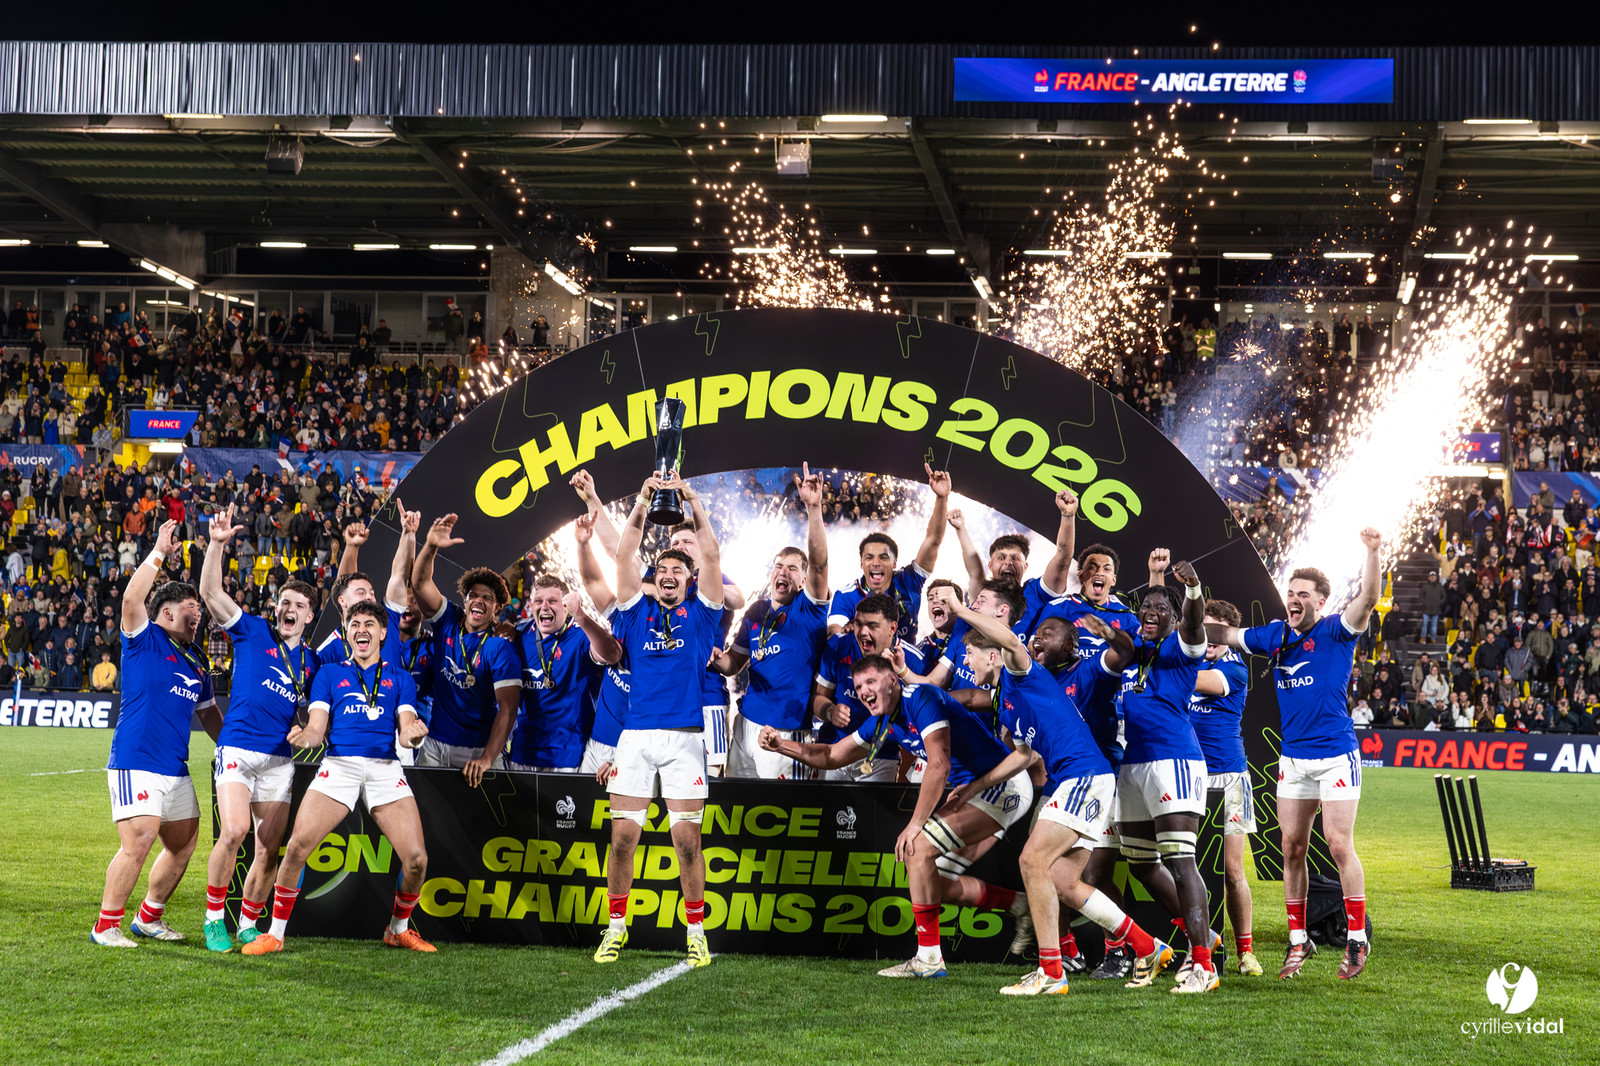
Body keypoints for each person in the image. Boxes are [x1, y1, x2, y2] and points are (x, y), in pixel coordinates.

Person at [932, 586, 1171, 996]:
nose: (965, 663)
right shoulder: (1007, 699)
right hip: (1084, 780)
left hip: (1083, 776)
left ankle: (1051, 972)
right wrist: (976, 786)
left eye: (969, 655)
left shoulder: (1021, 673)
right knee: (1063, 880)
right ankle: (1147, 946)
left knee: (1031, 861)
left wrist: (958, 609)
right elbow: (1023, 755)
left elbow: (1008, 638)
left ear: (992, 656)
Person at [758, 655, 1033, 978]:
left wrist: (915, 825)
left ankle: (929, 959)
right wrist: (781, 745)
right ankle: (1020, 906)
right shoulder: (883, 722)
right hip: (979, 791)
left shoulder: (920, 697)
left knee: (918, 849)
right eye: (858, 686)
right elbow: (831, 755)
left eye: (871, 682)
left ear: (892, 680)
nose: (863, 691)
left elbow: (940, 764)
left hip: (1002, 784)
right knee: (934, 880)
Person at [1207, 528, 1383, 981]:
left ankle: (1358, 939)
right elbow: (1226, 632)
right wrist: (1182, 614)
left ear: (1321, 602)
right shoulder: (1274, 635)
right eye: (1291, 593)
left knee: (1339, 844)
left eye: (1303, 594)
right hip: (1294, 759)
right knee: (1291, 847)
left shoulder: (1336, 631)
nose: (1294, 599)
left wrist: (1372, 550)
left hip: (1335, 754)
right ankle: (1298, 941)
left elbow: (1369, 595)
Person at [589, 472, 725, 969]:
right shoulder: (633, 612)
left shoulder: (704, 615)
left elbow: (710, 555)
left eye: (677, 570)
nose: (669, 574)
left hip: (685, 739)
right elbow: (623, 556)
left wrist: (690, 499)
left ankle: (695, 930)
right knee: (622, 838)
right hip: (636, 738)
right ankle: (616, 928)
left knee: (687, 842)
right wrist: (643, 497)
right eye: (663, 567)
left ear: (688, 580)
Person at [241, 602, 432, 955]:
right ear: (347, 632)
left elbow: (405, 732)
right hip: (339, 766)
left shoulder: (400, 678)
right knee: (297, 847)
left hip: (384, 769)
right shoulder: (328, 675)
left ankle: (397, 928)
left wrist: (416, 735)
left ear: (382, 632)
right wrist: (305, 737)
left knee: (417, 859)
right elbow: (316, 729)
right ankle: (276, 934)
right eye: (355, 623)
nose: (362, 629)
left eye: (370, 624)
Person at [1085, 557, 1220, 994]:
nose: (1151, 611)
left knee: (1181, 861)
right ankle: (1204, 938)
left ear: (1176, 618)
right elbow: (1127, 635)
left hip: (1174, 762)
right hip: (1133, 764)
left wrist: (1194, 588)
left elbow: (1196, 623)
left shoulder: (1183, 646)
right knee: (1143, 865)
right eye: (1146, 606)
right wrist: (1108, 632)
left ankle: (1204, 964)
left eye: (1162, 608)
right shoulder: (1135, 653)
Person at [197, 504, 320, 952]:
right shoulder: (252, 630)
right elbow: (210, 591)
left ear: (309, 617)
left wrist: (307, 728)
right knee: (233, 832)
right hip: (238, 749)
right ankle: (214, 919)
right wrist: (216, 543)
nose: (288, 608)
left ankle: (249, 922)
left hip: (279, 760)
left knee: (269, 848)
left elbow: (314, 712)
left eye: (298, 605)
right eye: (284, 602)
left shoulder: (314, 663)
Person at [93, 520, 221, 947]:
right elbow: (132, 597)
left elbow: (209, 717)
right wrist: (159, 552)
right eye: (191, 606)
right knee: (140, 840)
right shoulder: (143, 638)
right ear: (166, 612)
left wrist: (234, 748)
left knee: (184, 842)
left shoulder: (198, 659)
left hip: (175, 768)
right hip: (137, 759)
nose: (198, 612)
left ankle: (149, 917)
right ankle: (105, 925)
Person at [714, 462, 831, 779]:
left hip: (786, 731)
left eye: (793, 568)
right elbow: (733, 666)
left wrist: (814, 508)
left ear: (804, 580)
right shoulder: (755, 611)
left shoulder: (810, 610)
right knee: (737, 809)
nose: (783, 572)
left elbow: (819, 563)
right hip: (745, 726)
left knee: (784, 815)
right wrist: (716, 658)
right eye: (778, 566)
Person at [410, 514, 522, 785]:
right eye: (474, 594)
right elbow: (421, 584)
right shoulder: (448, 619)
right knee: (427, 817)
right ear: (465, 598)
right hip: (434, 746)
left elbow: (509, 708)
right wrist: (431, 546)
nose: (479, 601)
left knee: (483, 823)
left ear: (497, 608)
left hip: (477, 751)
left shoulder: (500, 648)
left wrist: (486, 757)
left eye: (488, 598)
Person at [1186, 597, 1262, 977]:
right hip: (1189, 777)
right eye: (1205, 629)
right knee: (1187, 865)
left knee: (1232, 870)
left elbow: (1204, 684)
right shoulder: (1191, 660)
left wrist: (1165, 663)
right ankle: (1197, 943)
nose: (1209, 638)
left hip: (1228, 778)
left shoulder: (1234, 669)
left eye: (1217, 631)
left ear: (1228, 637)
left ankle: (1245, 950)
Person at [507, 569, 618, 772]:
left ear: (566, 607)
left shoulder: (581, 635)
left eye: (552, 601)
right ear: (531, 605)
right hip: (523, 753)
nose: (545, 606)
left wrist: (582, 617)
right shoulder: (519, 634)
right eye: (538, 601)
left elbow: (612, 655)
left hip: (567, 757)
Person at [826, 463, 950, 643]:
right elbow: (833, 632)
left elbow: (933, 540)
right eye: (869, 557)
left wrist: (942, 498)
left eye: (883, 557)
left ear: (894, 563)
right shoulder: (846, 595)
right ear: (861, 563)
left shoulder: (909, 581)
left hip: (905, 668)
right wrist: (849, 630)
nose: (875, 562)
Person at [812, 595, 925, 781]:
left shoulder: (913, 661)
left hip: (881, 758)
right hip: (833, 746)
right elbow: (817, 698)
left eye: (872, 626)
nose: (863, 632)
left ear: (892, 628)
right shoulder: (838, 645)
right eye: (858, 624)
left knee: (872, 811)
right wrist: (829, 711)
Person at [1033, 541, 1141, 656]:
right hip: (1066, 673)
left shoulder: (1125, 615)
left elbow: (1148, 650)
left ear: (1113, 580)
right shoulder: (1056, 609)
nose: (1100, 573)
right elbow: (1034, 649)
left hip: (1110, 672)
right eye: (1092, 568)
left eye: (1107, 569)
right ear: (1081, 576)